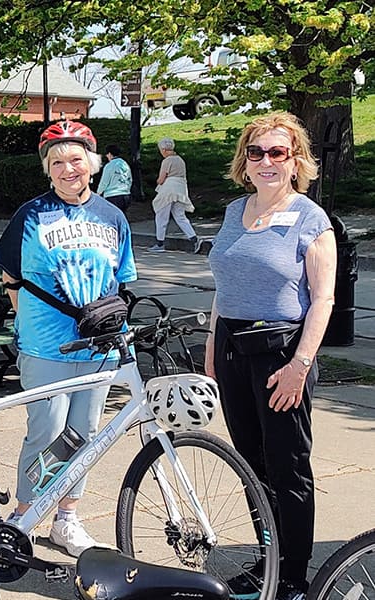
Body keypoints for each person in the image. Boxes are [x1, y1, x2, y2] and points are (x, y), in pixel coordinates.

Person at [205, 112, 336, 600]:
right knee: (253, 466)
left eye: (277, 152)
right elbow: (225, 285)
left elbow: (323, 299)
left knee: (288, 468)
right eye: (256, 152)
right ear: (245, 160)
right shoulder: (235, 210)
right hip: (234, 350)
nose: (266, 161)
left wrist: (300, 365)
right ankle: (268, 564)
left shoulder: (310, 218)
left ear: (296, 160)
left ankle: (295, 580)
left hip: (282, 352)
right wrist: (213, 344)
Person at [0, 120, 137, 557]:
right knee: (48, 431)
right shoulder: (30, 214)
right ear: (47, 170)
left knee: (85, 433)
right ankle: (25, 513)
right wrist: (29, 323)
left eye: (76, 159)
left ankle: (67, 517)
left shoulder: (112, 216)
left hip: (100, 347)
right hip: (46, 346)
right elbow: (10, 277)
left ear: (92, 164)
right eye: (57, 162)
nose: (67, 169)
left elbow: (120, 279)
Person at [149, 137, 201, 253]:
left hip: (169, 189)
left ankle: (160, 243)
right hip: (181, 189)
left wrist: (157, 182)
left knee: (161, 216)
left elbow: (161, 179)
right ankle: (194, 239)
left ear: (164, 149)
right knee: (180, 216)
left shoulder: (167, 161)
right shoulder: (180, 160)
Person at [96, 144, 132, 214]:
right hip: (126, 194)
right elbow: (129, 179)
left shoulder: (109, 165)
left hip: (113, 196)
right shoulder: (124, 164)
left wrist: (98, 193)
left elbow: (104, 181)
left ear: (109, 154)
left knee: (112, 218)